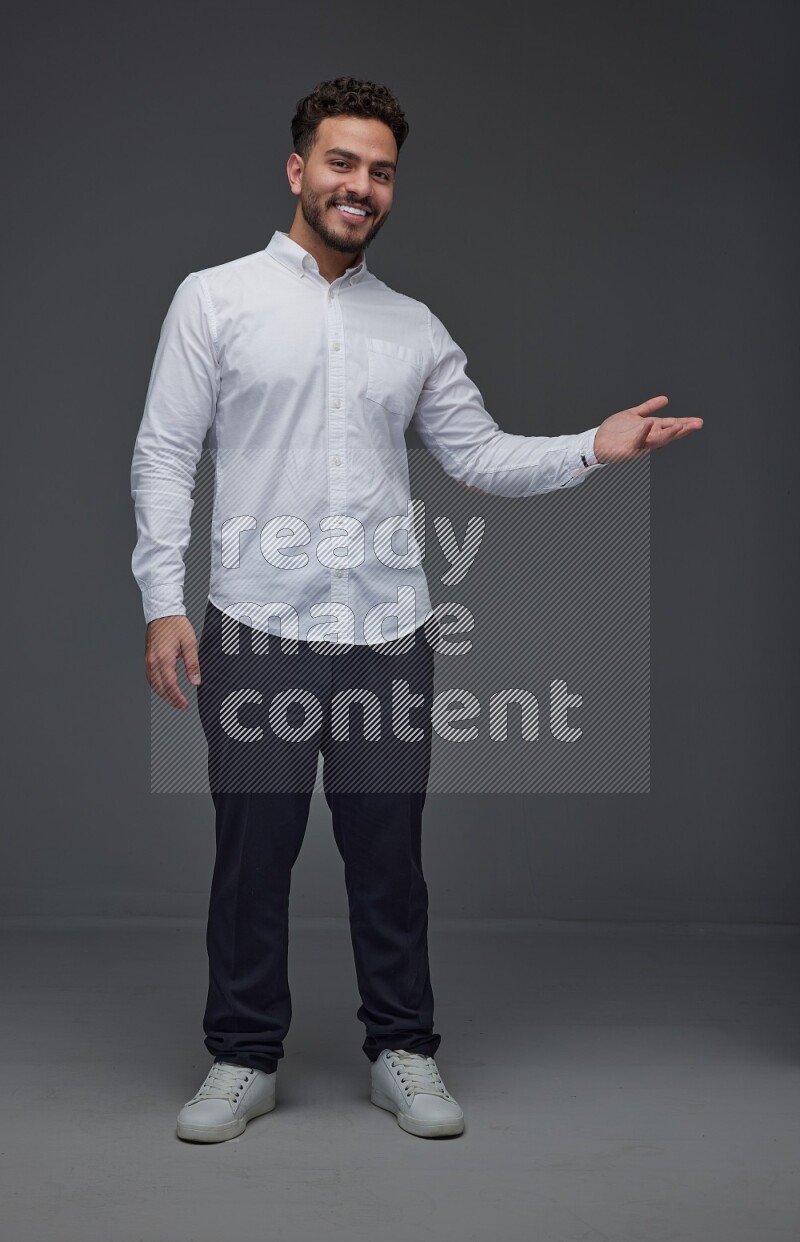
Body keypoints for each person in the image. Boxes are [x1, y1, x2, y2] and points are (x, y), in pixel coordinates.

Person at [130, 76, 703, 1145]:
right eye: (341, 163)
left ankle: (403, 1049)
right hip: (255, 631)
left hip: (387, 640)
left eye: (380, 171)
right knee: (251, 852)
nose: (360, 186)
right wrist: (163, 602)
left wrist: (592, 445)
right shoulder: (213, 299)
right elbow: (164, 453)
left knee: (388, 854)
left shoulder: (412, 327)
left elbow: (477, 456)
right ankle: (240, 1056)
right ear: (298, 170)